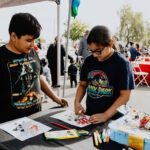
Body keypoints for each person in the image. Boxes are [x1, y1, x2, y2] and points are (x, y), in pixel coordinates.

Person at [0, 13, 68, 123]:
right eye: (28, 40)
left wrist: (55, 98)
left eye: (34, 40)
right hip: (10, 123)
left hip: (36, 117)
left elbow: (39, 77)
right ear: (13, 36)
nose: (33, 44)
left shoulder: (32, 52)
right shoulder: (1, 56)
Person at [74, 25, 134, 124]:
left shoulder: (122, 64)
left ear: (110, 44)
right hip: (91, 117)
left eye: (98, 51)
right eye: (91, 51)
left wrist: (106, 115)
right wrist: (77, 102)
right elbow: (82, 85)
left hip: (114, 119)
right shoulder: (89, 61)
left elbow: (125, 96)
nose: (95, 55)